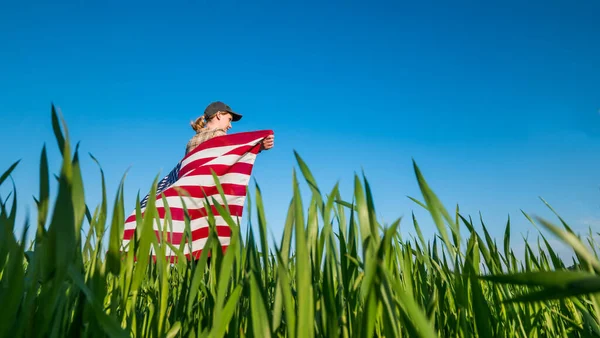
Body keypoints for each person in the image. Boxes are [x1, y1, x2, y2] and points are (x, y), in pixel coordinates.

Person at [186, 101, 274, 155]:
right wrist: (259, 146)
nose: (230, 125)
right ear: (219, 115)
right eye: (229, 119)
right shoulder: (218, 134)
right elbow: (234, 154)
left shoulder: (191, 141)